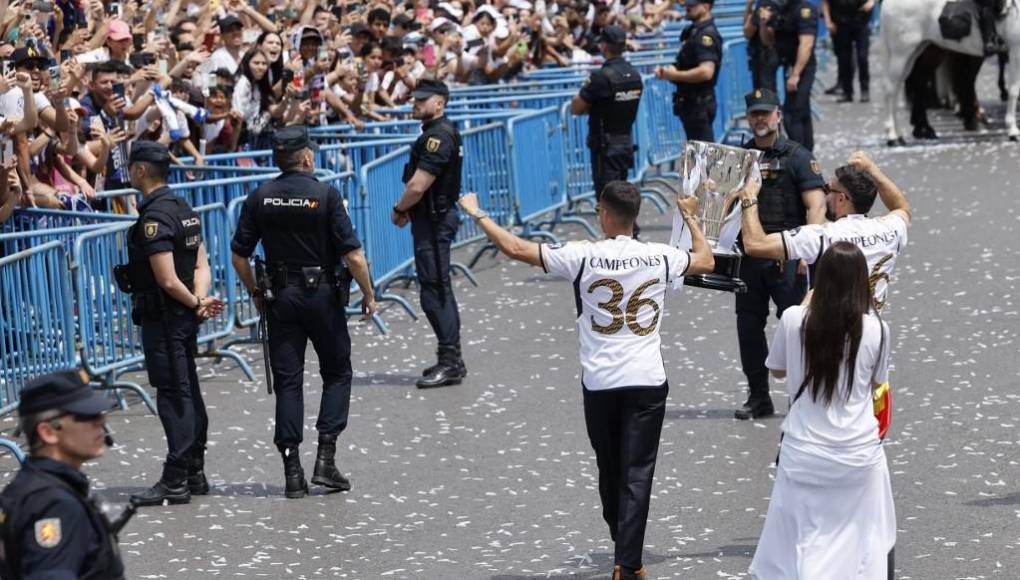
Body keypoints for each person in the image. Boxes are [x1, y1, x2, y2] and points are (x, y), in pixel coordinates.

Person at [457, 182, 715, 580]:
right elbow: (706, 261)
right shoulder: (660, 255)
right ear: (636, 216)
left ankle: (625, 560)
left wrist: (478, 214)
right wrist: (690, 216)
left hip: (600, 381)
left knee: (610, 469)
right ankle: (627, 556)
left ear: (606, 214)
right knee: (637, 472)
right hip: (646, 379)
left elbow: (516, 249)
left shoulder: (583, 255)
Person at [230, 125, 377, 499]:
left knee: (289, 383)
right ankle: (325, 458)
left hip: (281, 298)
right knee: (338, 373)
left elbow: (238, 255)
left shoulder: (259, 197)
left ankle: (292, 471)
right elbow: (354, 255)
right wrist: (368, 292)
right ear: (308, 157)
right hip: (323, 296)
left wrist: (255, 291)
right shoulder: (325, 195)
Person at [748, 242, 895, 579]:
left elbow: (778, 369)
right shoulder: (877, 328)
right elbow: (877, 383)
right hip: (858, 450)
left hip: (804, 449)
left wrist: (802, 304)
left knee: (801, 540)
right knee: (859, 542)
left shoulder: (795, 319)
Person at [121, 141, 225, 506]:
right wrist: (198, 301)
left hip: (165, 318)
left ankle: (176, 477)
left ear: (139, 170)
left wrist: (196, 301)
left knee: (174, 395)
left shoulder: (154, 219)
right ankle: (194, 471)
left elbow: (166, 279)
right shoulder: (183, 209)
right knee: (188, 391)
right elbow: (202, 266)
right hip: (183, 316)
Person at [734, 89, 825, 420]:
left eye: (765, 113)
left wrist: (809, 249)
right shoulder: (739, 158)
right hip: (749, 257)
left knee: (798, 327)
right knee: (748, 326)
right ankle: (758, 396)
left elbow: (816, 204)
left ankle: (803, 396)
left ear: (778, 115)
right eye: (754, 114)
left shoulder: (798, 155)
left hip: (789, 257)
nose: (760, 119)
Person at [739, 150, 911, 310]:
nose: (824, 194)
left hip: (831, 336)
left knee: (793, 317)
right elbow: (902, 207)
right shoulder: (889, 230)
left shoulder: (823, 236)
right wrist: (873, 170)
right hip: (873, 334)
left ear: (842, 199)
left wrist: (749, 198)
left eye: (827, 189)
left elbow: (755, 244)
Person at [0, 370, 127, 578]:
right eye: (87, 416)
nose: (101, 422)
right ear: (48, 432)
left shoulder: (31, 487)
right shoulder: (55, 504)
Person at [390, 79, 467, 389]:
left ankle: (450, 361)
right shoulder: (437, 133)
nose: (415, 103)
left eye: (423, 99)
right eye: (415, 98)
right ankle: (451, 359)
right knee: (437, 289)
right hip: (432, 218)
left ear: (440, 103)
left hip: (434, 221)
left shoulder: (438, 137)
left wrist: (399, 208)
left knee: (434, 291)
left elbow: (418, 185)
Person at [571, 25, 643, 202]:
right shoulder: (634, 74)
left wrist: (592, 106)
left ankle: (630, 230)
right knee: (620, 197)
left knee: (608, 202)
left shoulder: (602, 77)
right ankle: (630, 229)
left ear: (604, 46)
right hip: (624, 143)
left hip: (605, 147)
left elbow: (576, 107)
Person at [654, 0, 722, 142]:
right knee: (698, 155)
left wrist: (674, 75)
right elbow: (683, 60)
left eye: (693, 5)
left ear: (706, 6)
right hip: (691, 103)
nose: (687, 7)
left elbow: (706, 71)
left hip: (699, 104)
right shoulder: (693, 31)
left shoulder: (705, 36)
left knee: (703, 157)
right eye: (687, 5)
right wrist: (671, 69)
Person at [759, 0, 818, 150]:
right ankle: (806, 154)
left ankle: (799, 155)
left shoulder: (805, 10)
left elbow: (806, 44)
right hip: (789, 66)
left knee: (793, 114)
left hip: (802, 67)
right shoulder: (781, 10)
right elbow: (768, 41)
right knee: (801, 110)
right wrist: (764, 23)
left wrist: (796, 74)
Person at [823, 0, 875, 102]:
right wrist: (828, 21)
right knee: (844, 59)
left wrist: (871, 2)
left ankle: (865, 90)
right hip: (840, 21)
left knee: (862, 57)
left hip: (860, 20)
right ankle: (847, 92)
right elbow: (825, 3)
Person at [744, 0, 779, 92]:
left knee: (766, 94)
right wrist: (749, 6)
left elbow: (748, 32)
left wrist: (762, 23)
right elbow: (746, 31)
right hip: (758, 56)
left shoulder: (766, 5)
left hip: (766, 56)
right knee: (760, 94)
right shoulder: (760, 4)